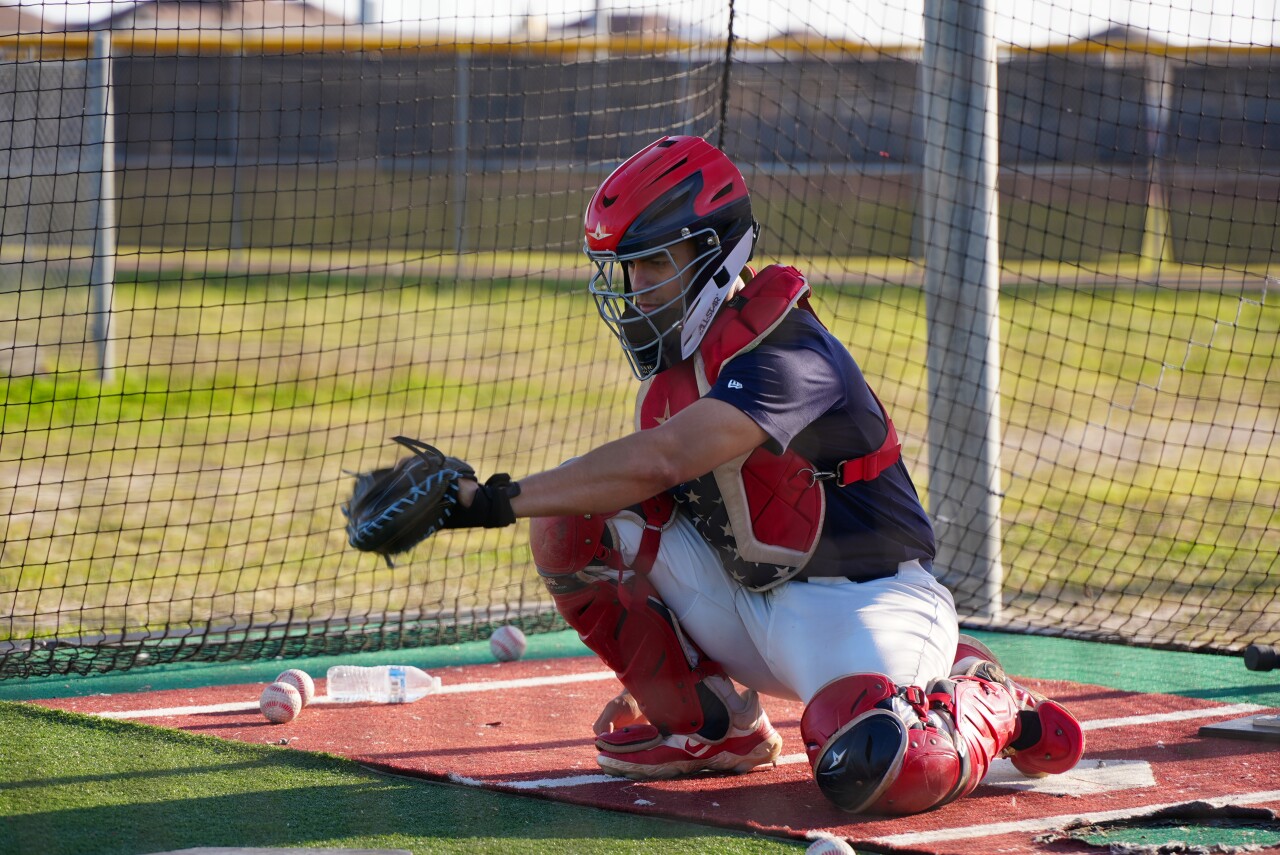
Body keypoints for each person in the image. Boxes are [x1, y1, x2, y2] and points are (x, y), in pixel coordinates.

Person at [436, 135, 1085, 814]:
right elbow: (646, 492)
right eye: (629, 270)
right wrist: (665, 669)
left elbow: (663, 459)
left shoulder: (791, 353)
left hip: (870, 607)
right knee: (574, 519)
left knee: (879, 760)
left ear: (715, 253)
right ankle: (711, 724)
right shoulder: (679, 378)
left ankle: (990, 696)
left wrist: (488, 500)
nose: (637, 291)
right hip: (756, 602)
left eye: (654, 263)